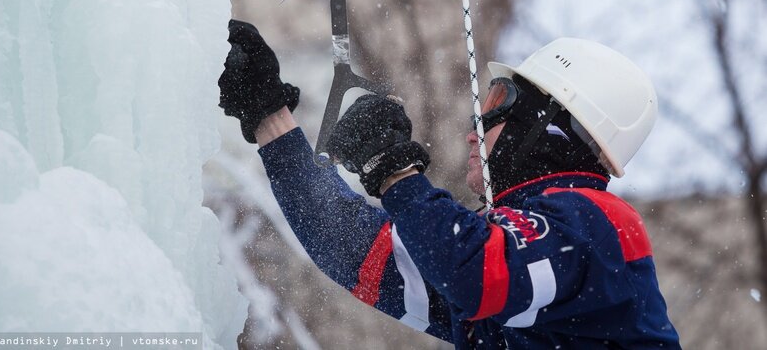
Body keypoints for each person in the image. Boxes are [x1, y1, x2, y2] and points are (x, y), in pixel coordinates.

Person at [218, 19, 681, 349]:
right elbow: (347, 246)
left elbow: (478, 271)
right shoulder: (518, 268)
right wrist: (269, 118)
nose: (472, 131)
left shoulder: (601, 223)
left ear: (550, 129)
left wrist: (395, 171)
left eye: (496, 105)